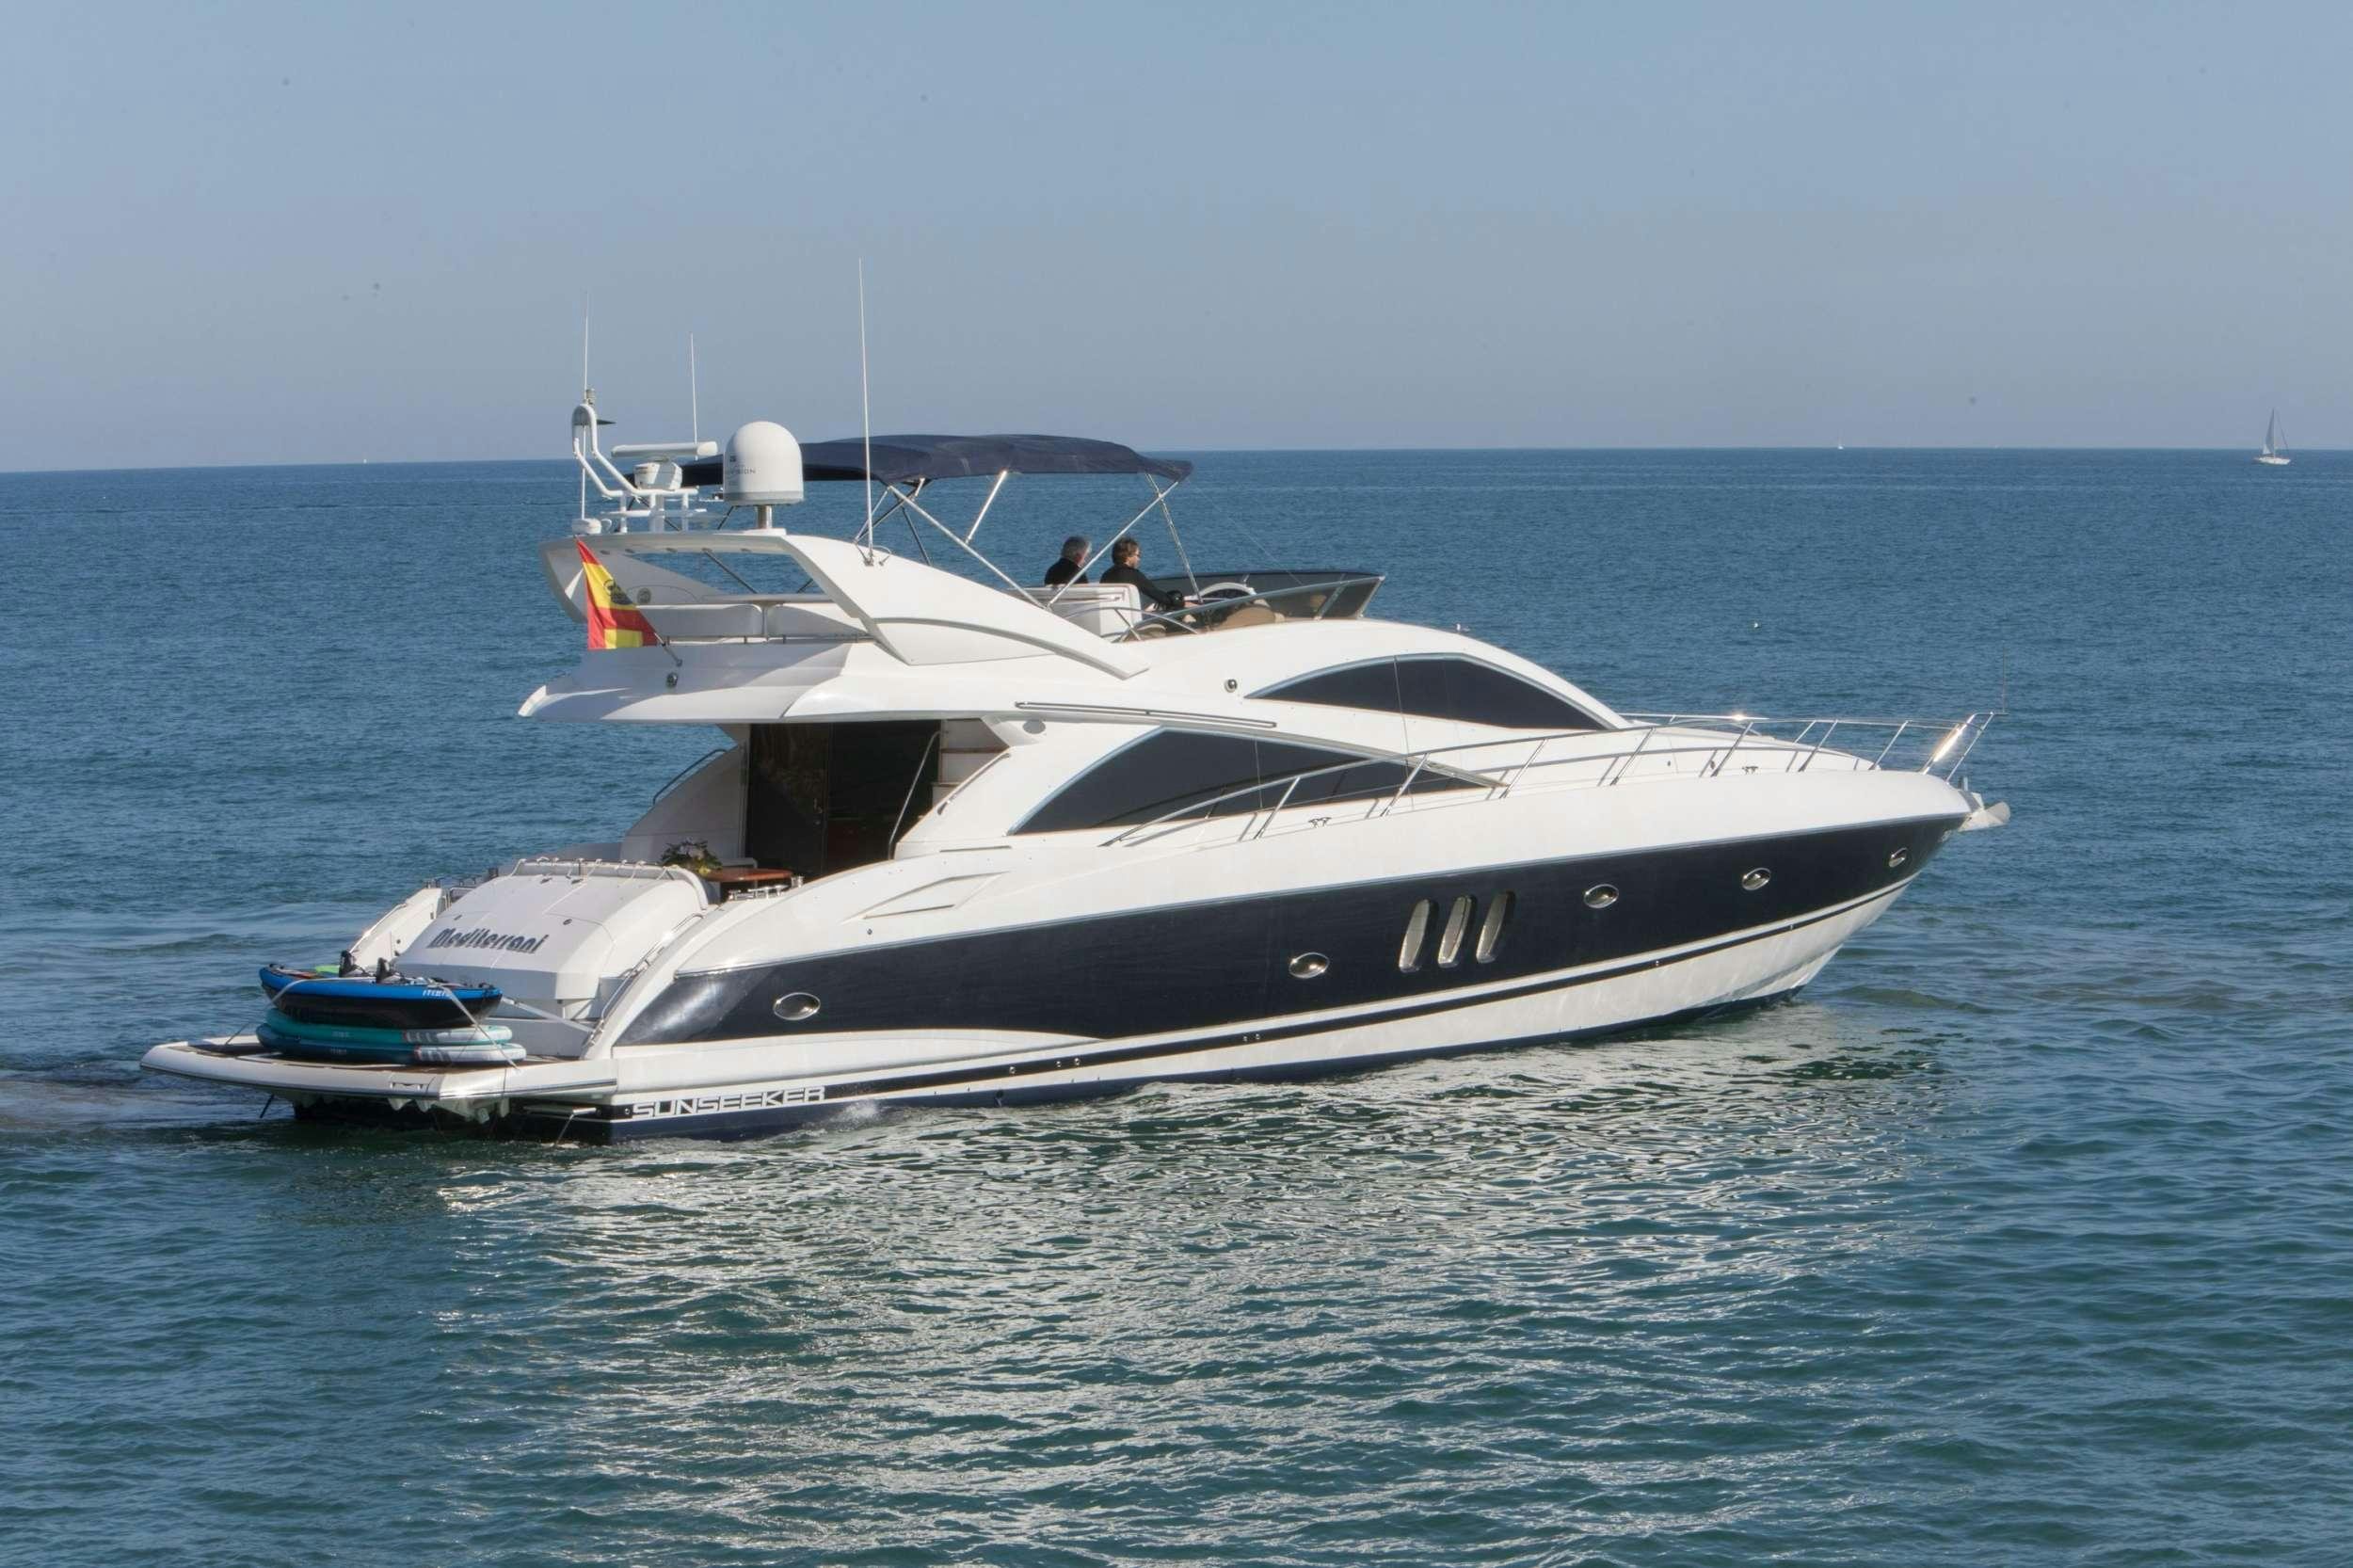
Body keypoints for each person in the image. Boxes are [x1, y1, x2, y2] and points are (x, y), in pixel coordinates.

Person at [1097, 538, 1187, 616]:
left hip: (1112, 618)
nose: (1139, 559)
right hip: (1130, 624)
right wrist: (1181, 602)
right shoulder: (1132, 574)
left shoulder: (1105, 575)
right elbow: (1160, 596)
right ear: (1128, 556)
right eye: (1138, 555)